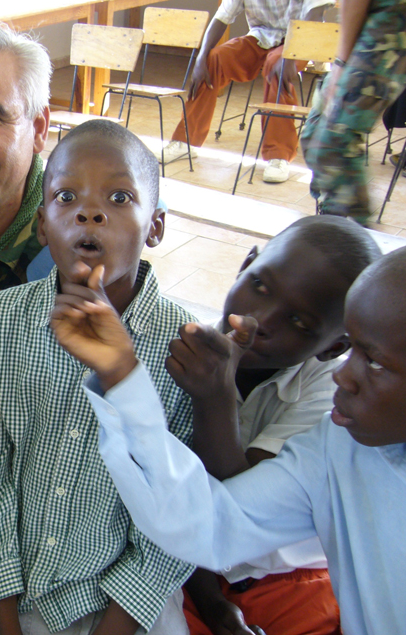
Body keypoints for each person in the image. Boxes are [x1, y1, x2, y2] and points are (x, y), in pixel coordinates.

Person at [53, 240, 406, 635]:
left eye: (373, 362)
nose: (344, 375)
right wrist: (120, 371)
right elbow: (212, 524)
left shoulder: (327, 404)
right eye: (354, 350)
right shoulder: (340, 445)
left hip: (287, 582)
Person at [0, 119, 196, 635]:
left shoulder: (186, 348)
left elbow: (179, 512)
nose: (89, 211)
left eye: (120, 197)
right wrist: (7, 619)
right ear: (42, 226)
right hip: (2, 588)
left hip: (122, 599)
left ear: (156, 226)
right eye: (66, 197)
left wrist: (116, 624)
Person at [164, 217, 380, 635]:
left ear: (333, 348)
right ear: (245, 263)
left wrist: (216, 395)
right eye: (259, 285)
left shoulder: (333, 395)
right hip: (190, 566)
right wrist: (213, 605)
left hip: (289, 576)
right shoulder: (183, 353)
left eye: (299, 322)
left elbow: (243, 511)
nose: (258, 320)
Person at [161, 0, 333, 183]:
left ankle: (279, 156)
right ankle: (185, 141)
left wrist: (290, 55)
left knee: (276, 65)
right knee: (213, 60)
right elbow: (221, 18)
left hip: (301, 40)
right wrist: (201, 58)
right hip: (262, 37)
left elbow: (315, 14)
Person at [301, 0, 406, 221]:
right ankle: (334, 225)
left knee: (334, 144)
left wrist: (341, 62)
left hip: (392, 18)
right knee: (313, 136)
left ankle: (357, 243)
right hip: (374, 16)